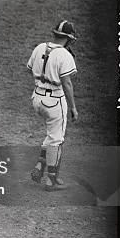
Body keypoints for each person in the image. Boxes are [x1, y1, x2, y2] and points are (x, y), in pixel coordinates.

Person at [27, 20, 79, 191]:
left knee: (51, 135)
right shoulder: (65, 55)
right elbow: (67, 83)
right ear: (69, 39)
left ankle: (40, 167)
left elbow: (30, 69)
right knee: (56, 139)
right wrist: (72, 107)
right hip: (55, 101)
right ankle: (51, 181)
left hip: (37, 98)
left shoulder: (39, 47)